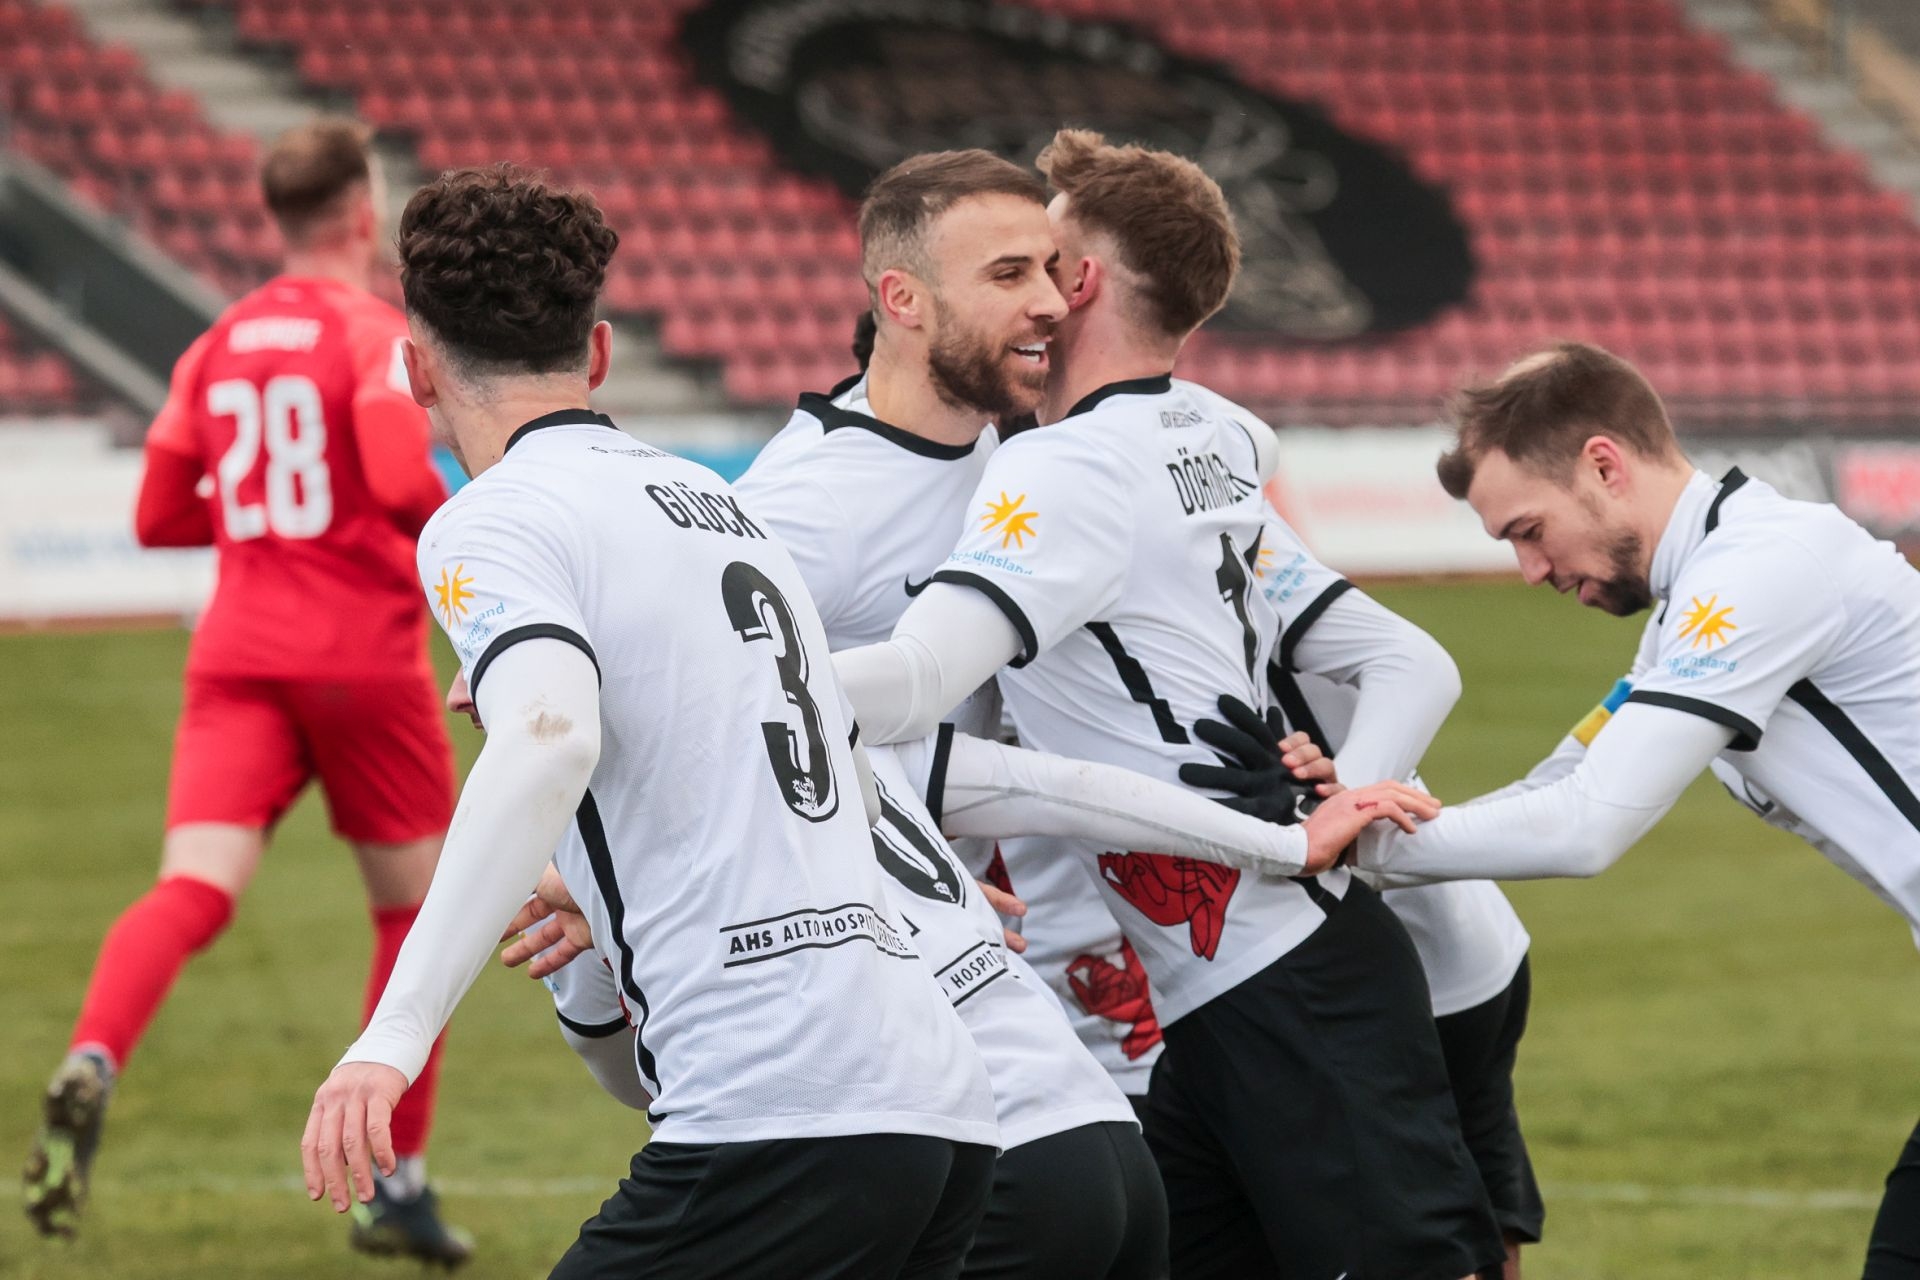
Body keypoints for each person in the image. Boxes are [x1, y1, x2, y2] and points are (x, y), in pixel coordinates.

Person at [729, 149, 1438, 1280]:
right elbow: (781, 744)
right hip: (1039, 1000)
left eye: (1052, 268)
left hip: (1194, 976)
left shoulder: (1063, 455)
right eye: (1013, 272)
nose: (1049, 301)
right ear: (905, 299)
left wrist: (1334, 787)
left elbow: (928, 690)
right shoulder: (811, 505)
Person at [299, 162, 1003, 1280]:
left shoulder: (492, 518)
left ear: (415, 371)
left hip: (782, 1107)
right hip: (940, 1105)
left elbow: (549, 736)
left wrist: (394, 1034)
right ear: (598, 354)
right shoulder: (720, 505)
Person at [1345, 340, 1920, 1280]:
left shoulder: (1759, 571)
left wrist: (1344, 848)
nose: (1530, 569)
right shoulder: (1695, 604)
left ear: (1604, 467)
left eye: (1530, 530)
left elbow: (1587, 824)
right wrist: (1367, 814)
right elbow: (1557, 783)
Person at [23, 119, 466, 1262]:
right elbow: (390, 476)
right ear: (362, 213)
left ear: (276, 216)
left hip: (240, 649)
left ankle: (94, 1053)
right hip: (359, 657)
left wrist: (268, 510)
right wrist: (476, 535)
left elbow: (159, 515)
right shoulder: (370, 332)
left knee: (192, 887)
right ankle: (394, 1181)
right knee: (414, 912)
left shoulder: (216, 344)